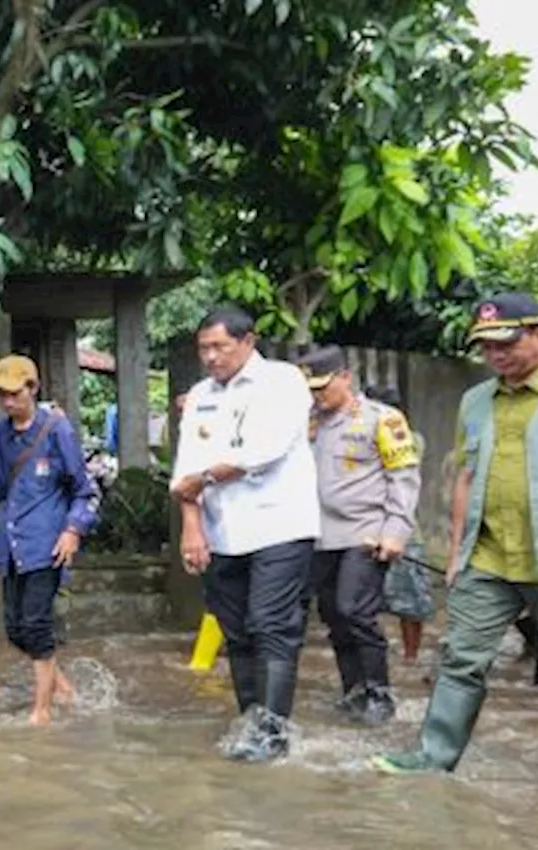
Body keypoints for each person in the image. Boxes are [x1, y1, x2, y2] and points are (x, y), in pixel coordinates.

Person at [373, 292, 538, 799]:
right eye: (486, 346)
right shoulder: (476, 401)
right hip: (489, 557)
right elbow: (465, 476)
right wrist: (456, 553)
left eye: (507, 342)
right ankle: (433, 759)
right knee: (460, 659)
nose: (496, 355)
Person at [170, 305, 319, 762]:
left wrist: (204, 479)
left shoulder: (283, 382)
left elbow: (264, 451)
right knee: (235, 631)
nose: (211, 357)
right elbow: (184, 472)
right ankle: (250, 720)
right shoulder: (199, 395)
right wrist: (191, 528)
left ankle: (272, 732)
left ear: (248, 342)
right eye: (204, 348)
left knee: (271, 623)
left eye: (220, 346)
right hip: (223, 532)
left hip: (280, 526)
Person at [0, 355, 100, 726]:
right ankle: (62, 687)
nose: (7, 402)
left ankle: (42, 711)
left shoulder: (57, 431)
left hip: (47, 546)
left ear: (33, 389)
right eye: (1, 395)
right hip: (11, 547)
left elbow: (84, 490)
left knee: (36, 625)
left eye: (14, 394)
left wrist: (72, 531)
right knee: (16, 630)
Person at [295, 351, 421, 726]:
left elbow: (404, 478)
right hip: (319, 536)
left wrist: (395, 531)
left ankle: (379, 691)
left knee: (355, 610)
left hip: (365, 533)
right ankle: (353, 690)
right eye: (310, 389)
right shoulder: (307, 424)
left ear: (345, 377)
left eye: (323, 386)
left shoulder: (382, 419)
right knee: (333, 614)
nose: (317, 396)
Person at [363, 384, 436, 671]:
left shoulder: (409, 438)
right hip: (365, 530)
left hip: (402, 534)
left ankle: (410, 657)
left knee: (411, 601)